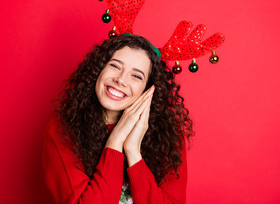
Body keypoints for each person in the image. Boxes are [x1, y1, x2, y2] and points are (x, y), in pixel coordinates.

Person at [42, 35, 194, 204]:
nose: (120, 80)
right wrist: (115, 142)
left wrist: (132, 151)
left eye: (136, 76)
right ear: (98, 69)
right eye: (115, 66)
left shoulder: (169, 137)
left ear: (149, 90)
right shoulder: (62, 130)